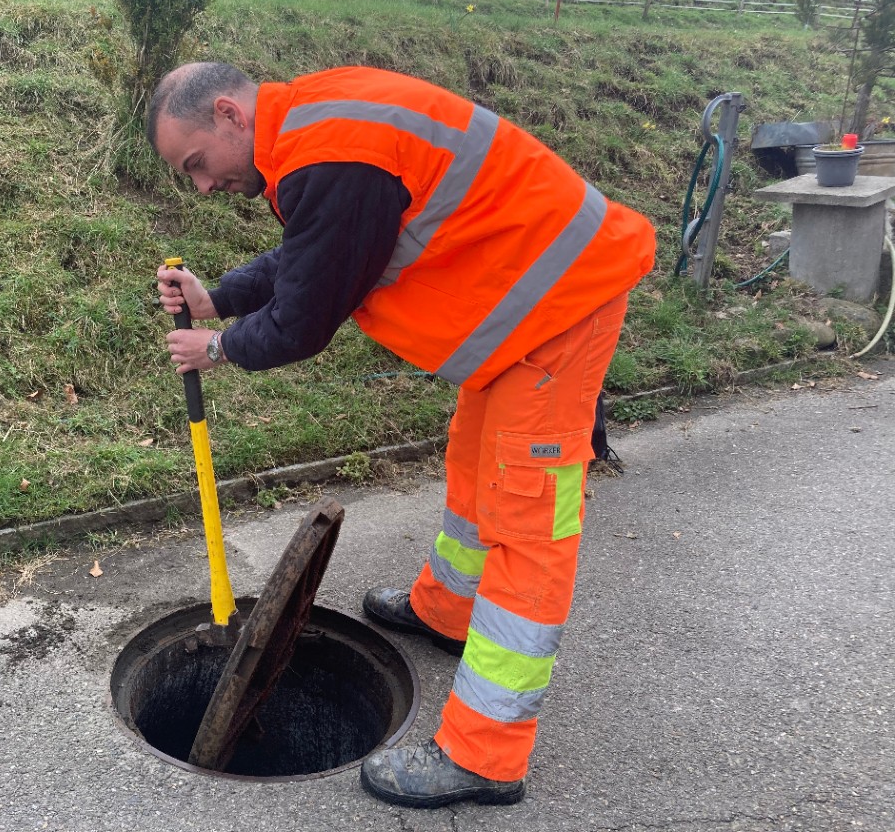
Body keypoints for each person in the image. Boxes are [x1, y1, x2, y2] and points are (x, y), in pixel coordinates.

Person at [150, 62, 655, 808]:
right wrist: (219, 297)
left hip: (559, 303)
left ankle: (485, 754)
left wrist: (216, 347)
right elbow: (317, 254)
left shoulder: (330, 154)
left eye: (196, 164)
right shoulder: (314, 129)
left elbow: (305, 316)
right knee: (472, 460)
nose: (201, 186)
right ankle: (447, 611)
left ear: (227, 113)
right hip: (521, 305)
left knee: (528, 520)